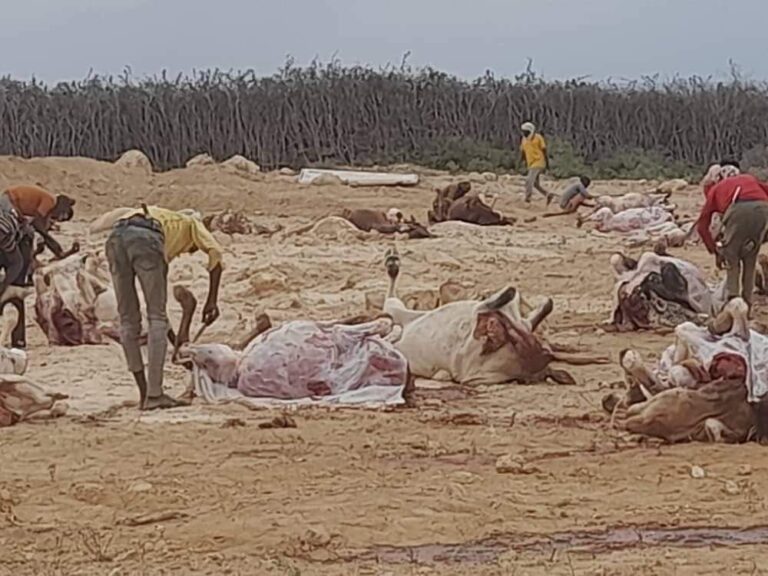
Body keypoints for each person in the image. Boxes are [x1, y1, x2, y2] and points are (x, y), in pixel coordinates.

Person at [106, 205, 223, 410]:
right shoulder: (192, 222)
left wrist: (175, 340)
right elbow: (215, 254)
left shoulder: (164, 220)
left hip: (116, 237)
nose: (189, 251)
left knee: (127, 319)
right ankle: (155, 395)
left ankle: (144, 393)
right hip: (146, 236)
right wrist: (212, 300)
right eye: (192, 248)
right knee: (156, 317)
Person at [696, 164, 768, 309]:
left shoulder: (716, 189)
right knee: (751, 257)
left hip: (738, 207)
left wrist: (714, 250)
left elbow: (702, 225)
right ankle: (747, 303)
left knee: (732, 256)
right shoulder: (749, 178)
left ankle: (733, 302)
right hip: (763, 207)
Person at [2, 185, 79, 281]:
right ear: (62, 207)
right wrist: (56, 247)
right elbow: (37, 224)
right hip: (9, 202)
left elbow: (40, 229)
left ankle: (19, 279)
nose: (57, 219)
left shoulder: (47, 208)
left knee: (25, 237)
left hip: (13, 205)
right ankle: (16, 281)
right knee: (20, 240)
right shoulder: (51, 200)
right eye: (61, 216)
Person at [0, 204, 34, 348]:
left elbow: (16, 263)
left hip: (21, 243)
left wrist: (4, 286)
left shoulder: (4, 233)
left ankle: (18, 341)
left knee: (14, 287)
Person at [520, 122, 553, 204]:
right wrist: (521, 161)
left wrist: (547, 163)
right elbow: (523, 151)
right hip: (530, 163)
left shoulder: (538, 138)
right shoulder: (524, 139)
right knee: (535, 183)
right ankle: (548, 194)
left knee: (528, 181)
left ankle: (527, 199)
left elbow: (544, 150)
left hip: (539, 162)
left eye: (525, 131)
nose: (524, 133)